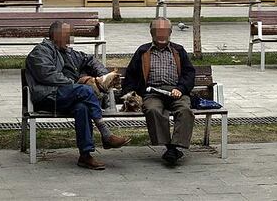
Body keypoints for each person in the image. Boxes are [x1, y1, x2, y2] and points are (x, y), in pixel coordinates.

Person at [25, 21, 130, 170]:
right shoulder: (40, 52)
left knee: (82, 108)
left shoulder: (69, 53)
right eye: (67, 35)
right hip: (47, 97)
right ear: (55, 35)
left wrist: (103, 77)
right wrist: (76, 82)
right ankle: (105, 134)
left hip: (66, 97)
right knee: (85, 90)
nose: (70, 39)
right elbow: (47, 76)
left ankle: (85, 156)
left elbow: (90, 60)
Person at [122, 17, 196, 165]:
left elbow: (189, 73)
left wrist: (180, 89)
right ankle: (171, 148)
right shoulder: (143, 51)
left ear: (170, 32)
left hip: (175, 91)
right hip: (152, 92)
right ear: (151, 33)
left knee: (185, 110)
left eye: (165, 32)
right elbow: (131, 74)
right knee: (152, 109)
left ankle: (174, 147)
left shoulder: (178, 50)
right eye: (158, 32)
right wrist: (130, 94)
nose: (162, 36)